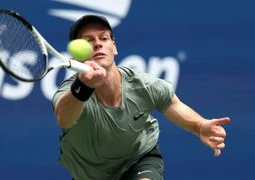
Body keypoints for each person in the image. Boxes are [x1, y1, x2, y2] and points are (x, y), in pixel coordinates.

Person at [52, 15, 230, 180]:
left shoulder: (142, 85)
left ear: (114, 46)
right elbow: (64, 118)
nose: (98, 44)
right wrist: (84, 87)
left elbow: (174, 105)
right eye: (88, 41)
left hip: (139, 159)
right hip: (89, 175)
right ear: (77, 55)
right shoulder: (72, 91)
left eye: (104, 38)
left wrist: (199, 126)